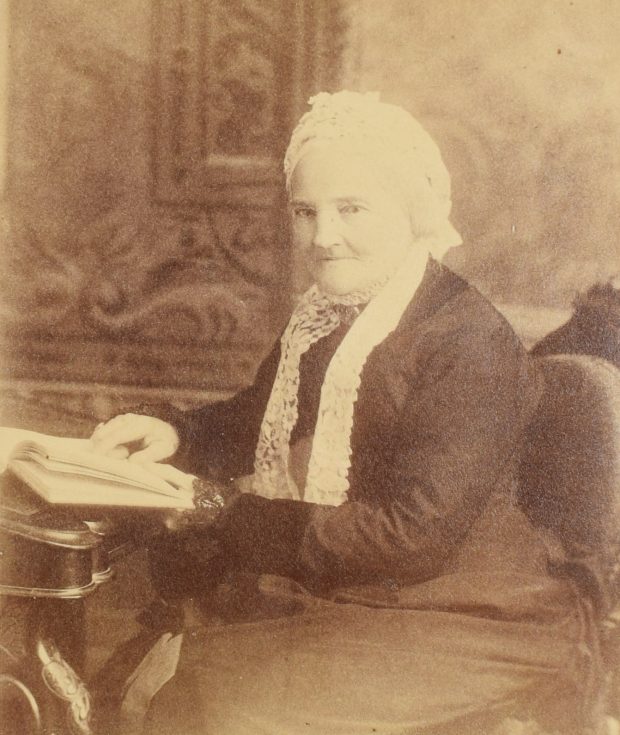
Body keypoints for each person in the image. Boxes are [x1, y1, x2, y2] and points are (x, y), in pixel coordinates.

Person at [91, 92, 599, 735]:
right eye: (306, 212)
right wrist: (175, 431)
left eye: (350, 209)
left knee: (209, 706)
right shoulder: (330, 315)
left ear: (411, 211)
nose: (323, 237)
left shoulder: (470, 343)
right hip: (370, 587)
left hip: (467, 611)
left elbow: (412, 538)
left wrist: (217, 508)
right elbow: (257, 421)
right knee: (136, 667)